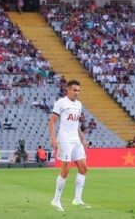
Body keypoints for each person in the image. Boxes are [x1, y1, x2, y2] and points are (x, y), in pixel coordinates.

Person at [49, 80, 90, 211]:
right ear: (68, 90)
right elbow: (52, 121)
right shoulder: (61, 103)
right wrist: (53, 137)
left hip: (75, 139)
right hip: (64, 139)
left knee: (83, 168)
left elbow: (76, 124)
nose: (77, 92)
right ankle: (56, 200)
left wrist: (82, 138)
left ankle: (77, 199)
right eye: (74, 90)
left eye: (78, 90)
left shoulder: (79, 104)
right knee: (66, 169)